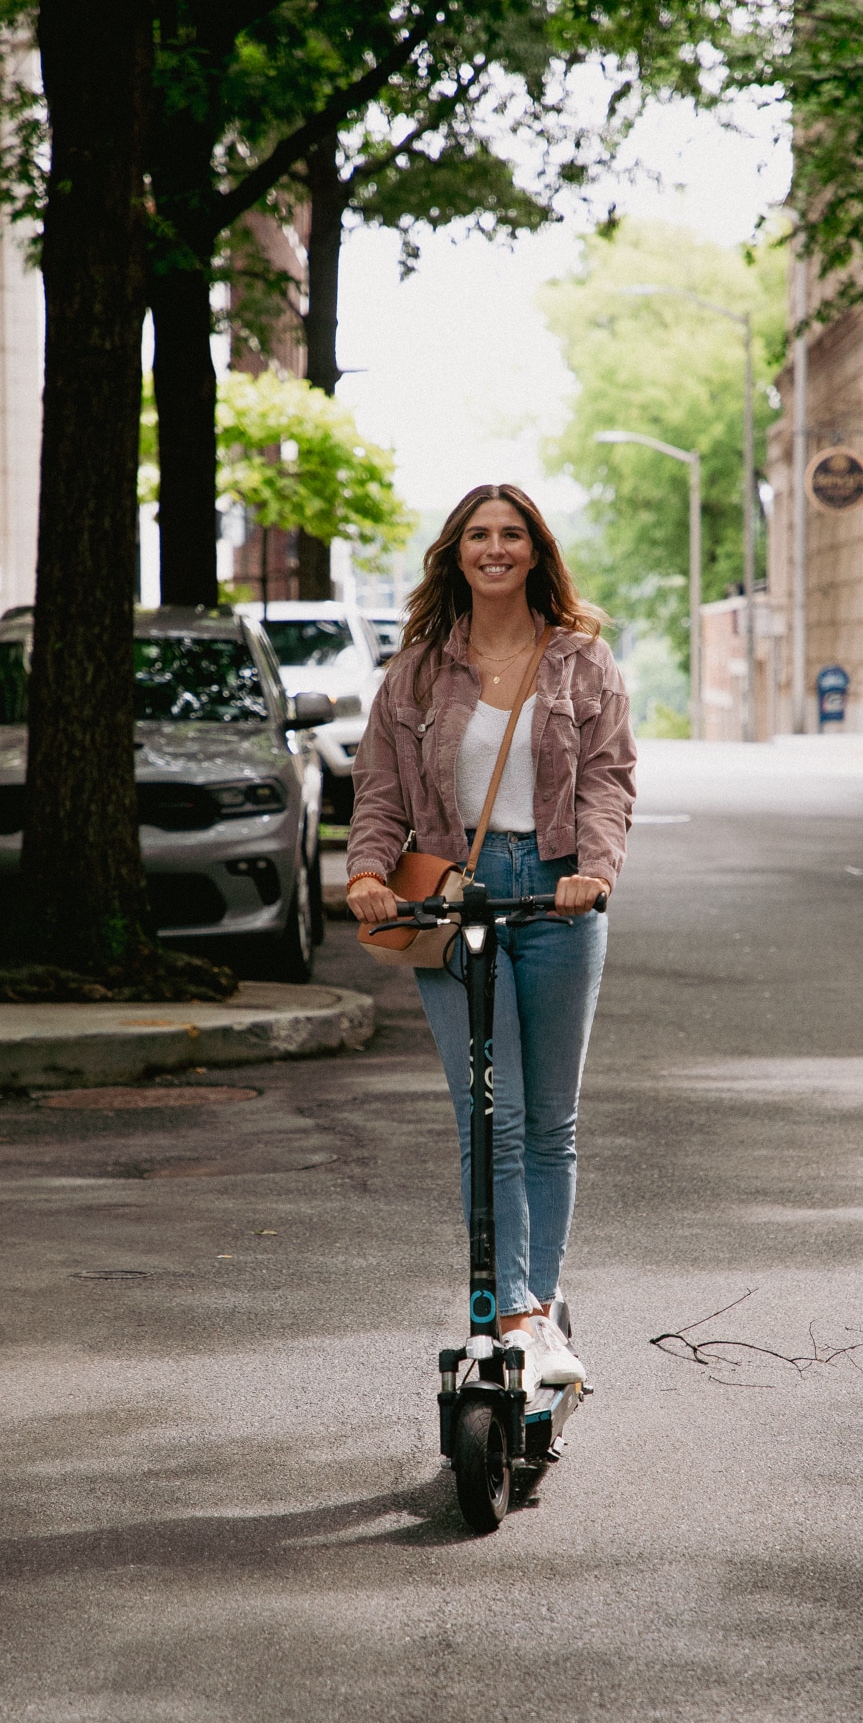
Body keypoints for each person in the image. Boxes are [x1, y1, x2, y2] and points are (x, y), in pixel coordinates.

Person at [346, 483, 637, 1392]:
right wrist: (366, 870)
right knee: (490, 1116)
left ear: (536, 551)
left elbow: (608, 779)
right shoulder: (420, 671)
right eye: (479, 534)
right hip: (450, 898)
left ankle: (537, 1309)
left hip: (555, 896)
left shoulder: (583, 664)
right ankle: (508, 1309)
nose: (495, 547)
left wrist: (595, 868)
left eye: (512, 534)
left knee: (549, 1120)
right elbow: (380, 784)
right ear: (456, 553)